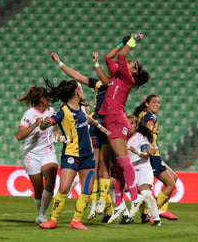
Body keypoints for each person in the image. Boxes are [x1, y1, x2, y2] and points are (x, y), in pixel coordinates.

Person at [38, 79, 110, 230]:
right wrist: (44, 124)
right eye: (80, 87)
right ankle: (53, 220)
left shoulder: (83, 107)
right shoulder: (63, 111)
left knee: (87, 190)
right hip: (71, 155)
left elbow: (88, 119)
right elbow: (51, 122)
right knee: (64, 188)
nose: (81, 89)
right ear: (76, 91)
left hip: (88, 157)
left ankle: (76, 221)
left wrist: (100, 128)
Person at [49, 52, 113, 222]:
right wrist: (60, 63)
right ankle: (99, 202)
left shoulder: (120, 84)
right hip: (93, 128)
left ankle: (103, 201)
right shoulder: (98, 85)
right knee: (97, 164)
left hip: (111, 124)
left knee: (104, 165)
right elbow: (77, 76)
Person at [97, 33, 150, 223]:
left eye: (132, 64)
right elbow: (108, 58)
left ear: (133, 71)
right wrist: (121, 42)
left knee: (123, 160)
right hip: (111, 120)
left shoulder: (128, 78)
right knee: (118, 165)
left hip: (117, 120)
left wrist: (132, 40)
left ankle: (135, 198)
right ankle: (119, 204)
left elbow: (120, 57)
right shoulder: (117, 75)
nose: (129, 63)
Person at [16, 85, 59, 224]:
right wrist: (34, 125)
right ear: (41, 99)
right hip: (31, 155)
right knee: (38, 188)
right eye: (47, 96)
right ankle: (39, 213)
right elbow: (19, 136)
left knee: (51, 170)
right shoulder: (29, 114)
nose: (50, 99)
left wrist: (59, 137)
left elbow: (55, 131)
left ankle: (42, 214)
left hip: (48, 151)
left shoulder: (52, 111)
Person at [134, 94, 179, 220]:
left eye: (158, 102)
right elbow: (147, 131)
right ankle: (155, 211)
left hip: (147, 153)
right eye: (153, 102)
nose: (156, 104)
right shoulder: (151, 117)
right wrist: (153, 145)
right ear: (147, 104)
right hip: (152, 154)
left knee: (172, 178)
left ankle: (158, 210)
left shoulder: (142, 114)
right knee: (170, 184)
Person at [121, 115, 162, 226]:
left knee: (145, 193)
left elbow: (146, 155)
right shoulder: (121, 138)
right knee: (116, 189)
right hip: (130, 171)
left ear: (136, 126)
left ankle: (157, 219)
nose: (129, 126)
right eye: (127, 123)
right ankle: (127, 216)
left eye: (132, 123)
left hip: (143, 169)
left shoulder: (141, 137)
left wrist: (136, 152)